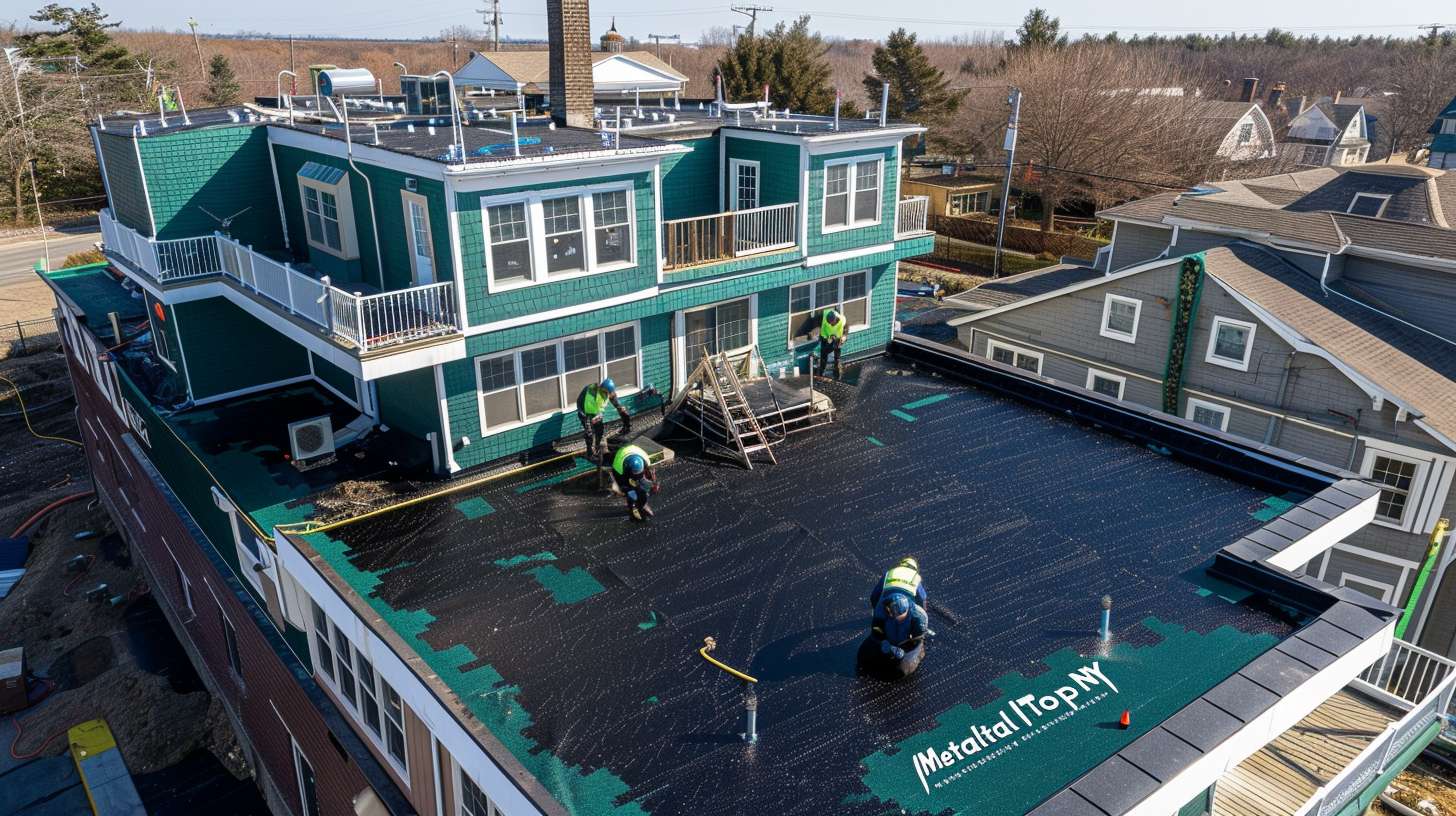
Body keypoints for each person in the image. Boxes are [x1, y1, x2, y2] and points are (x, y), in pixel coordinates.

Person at [868, 593, 928, 677]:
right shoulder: (880, 611)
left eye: (900, 617)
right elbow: (876, 630)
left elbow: (917, 639)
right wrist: (882, 641)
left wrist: (905, 649)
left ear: (907, 611)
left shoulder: (919, 616)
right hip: (888, 640)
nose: (897, 619)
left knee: (903, 670)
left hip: (906, 642)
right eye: (893, 616)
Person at [576, 378, 630, 460]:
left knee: (600, 430)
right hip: (586, 412)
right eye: (607, 393)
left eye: (609, 393)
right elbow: (590, 413)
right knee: (589, 433)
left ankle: (626, 428)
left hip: (595, 410)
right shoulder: (592, 396)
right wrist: (595, 418)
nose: (610, 395)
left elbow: (615, 402)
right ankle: (590, 453)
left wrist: (623, 413)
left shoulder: (608, 391)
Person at [611, 443, 658, 522]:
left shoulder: (645, 459)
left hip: (634, 451)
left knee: (642, 486)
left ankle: (642, 503)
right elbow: (622, 483)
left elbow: (651, 472)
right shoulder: (618, 467)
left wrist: (654, 483)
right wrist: (629, 491)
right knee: (628, 489)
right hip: (622, 458)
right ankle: (632, 508)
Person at [818, 308, 848, 378]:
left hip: (837, 337)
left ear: (835, 319)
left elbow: (846, 329)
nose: (830, 324)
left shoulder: (842, 320)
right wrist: (827, 339)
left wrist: (844, 336)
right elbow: (818, 327)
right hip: (826, 337)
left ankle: (837, 369)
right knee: (824, 353)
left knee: (837, 349)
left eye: (832, 322)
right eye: (829, 323)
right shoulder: (823, 317)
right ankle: (822, 372)